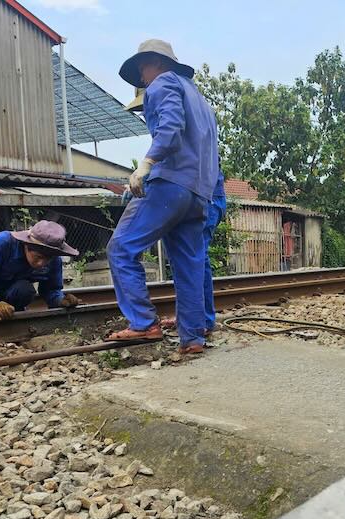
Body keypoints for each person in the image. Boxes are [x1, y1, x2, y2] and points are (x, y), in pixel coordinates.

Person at [107, 39, 219, 353]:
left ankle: (143, 324)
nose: (142, 77)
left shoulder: (163, 83)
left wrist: (146, 165)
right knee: (189, 264)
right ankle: (193, 338)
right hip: (199, 194)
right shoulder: (201, 101)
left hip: (170, 184)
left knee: (121, 248)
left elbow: (170, 128)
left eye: (142, 68)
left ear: (155, 62)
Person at [0, 220, 82, 321]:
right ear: (26, 246)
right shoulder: (1, 242)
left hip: (10, 288)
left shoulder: (54, 260)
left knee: (25, 290)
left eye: (47, 259)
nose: (42, 264)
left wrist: (60, 300)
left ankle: (11, 316)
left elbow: (51, 290)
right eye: (38, 257)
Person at [159, 172, 228, 336]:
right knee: (189, 259)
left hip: (205, 199)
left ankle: (201, 320)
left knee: (194, 259)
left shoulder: (195, 147)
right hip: (200, 197)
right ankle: (191, 318)